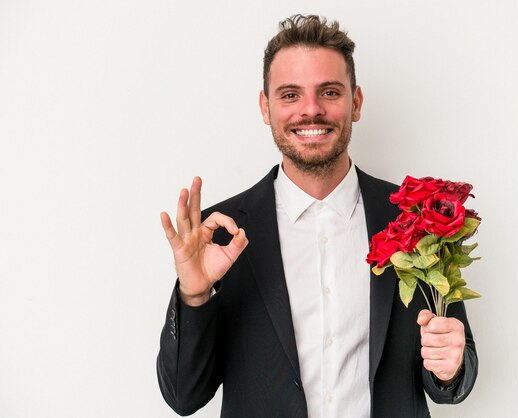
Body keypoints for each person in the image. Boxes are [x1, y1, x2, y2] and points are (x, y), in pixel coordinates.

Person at [157, 14, 477, 417]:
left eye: (329, 92)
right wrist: (194, 295)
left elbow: (453, 378)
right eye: (290, 95)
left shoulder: (417, 217)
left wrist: (452, 366)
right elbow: (184, 397)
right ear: (265, 106)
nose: (311, 111)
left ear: (355, 102)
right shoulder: (217, 233)